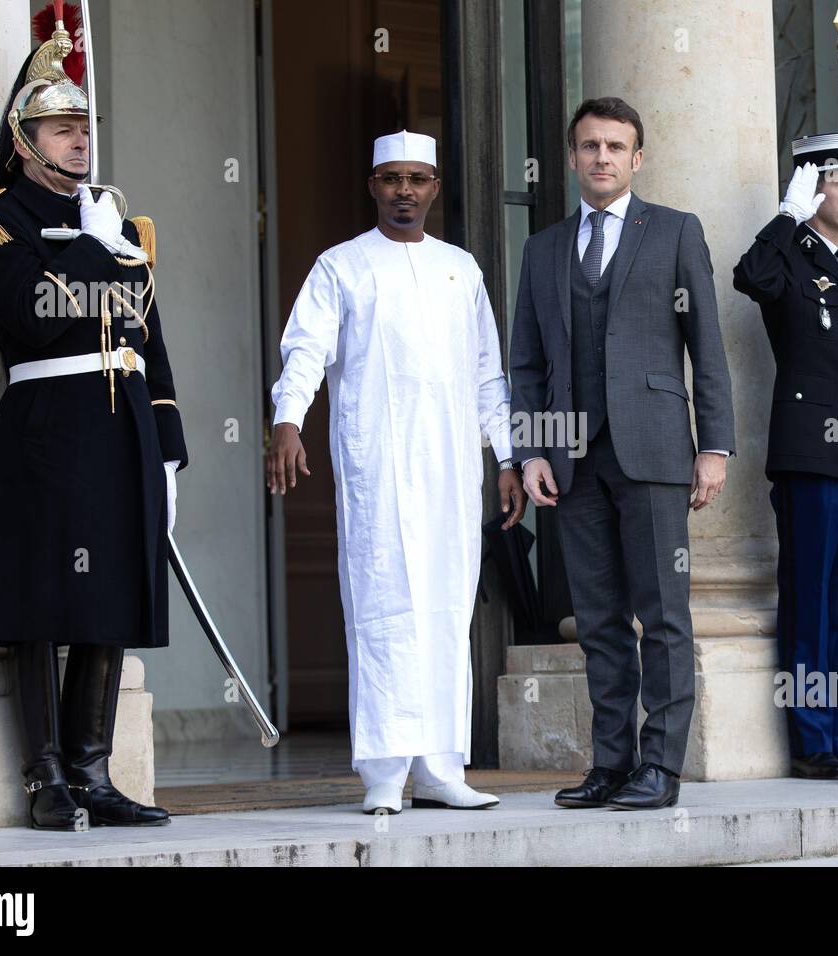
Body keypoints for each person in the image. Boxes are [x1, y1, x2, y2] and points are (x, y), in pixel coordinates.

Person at [0, 11, 184, 827]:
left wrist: (169, 450)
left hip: (122, 429)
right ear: (25, 141)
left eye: (85, 128)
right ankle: (44, 777)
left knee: (108, 599)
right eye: (62, 129)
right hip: (47, 427)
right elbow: (30, 315)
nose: (81, 142)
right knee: (41, 601)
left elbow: (150, 344)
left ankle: (92, 773)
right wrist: (90, 244)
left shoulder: (118, 222)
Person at [266, 130, 526, 814]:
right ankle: (384, 773)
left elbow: (488, 374)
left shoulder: (461, 269)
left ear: (434, 188)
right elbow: (306, 350)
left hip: (451, 469)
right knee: (381, 608)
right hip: (376, 467)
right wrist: (288, 420)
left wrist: (507, 456)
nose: (404, 190)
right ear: (372, 187)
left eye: (416, 179)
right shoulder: (341, 266)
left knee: (446, 611)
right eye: (391, 178)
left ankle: (440, 769)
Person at [509, 98, 736, 810]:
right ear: (572, 156)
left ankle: (661, 767)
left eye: (615, 146)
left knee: (663, 614)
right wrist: (530, 450)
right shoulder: (542, 249)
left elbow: (707, 346)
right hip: (572, 458)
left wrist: (714, 447)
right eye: (589, 145)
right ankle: (611, 763)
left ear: (637, 159)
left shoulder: (674, 231)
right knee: (599, 621)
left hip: (656, 450)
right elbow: (527, 364)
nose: (601, 157)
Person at [731, 132, 838, 779]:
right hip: (812, 460)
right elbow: (749, 277)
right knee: (811, 599)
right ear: (812, 188)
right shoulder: (788, 259)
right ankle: (812, 741)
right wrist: (787, 216)